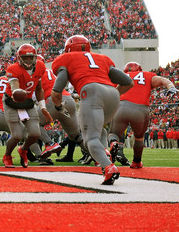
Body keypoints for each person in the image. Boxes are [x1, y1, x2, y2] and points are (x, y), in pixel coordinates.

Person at [51, 35, 134, 185]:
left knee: (90, 138)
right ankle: (105, 153)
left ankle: (109, 167)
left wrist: (58, 107)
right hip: (113, 94)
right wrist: (113, 93)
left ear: (69, 49)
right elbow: (128, 82)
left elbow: (57, 91)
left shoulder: (66, 58)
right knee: (99, 131)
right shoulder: (102, 58)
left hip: (91, 91)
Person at [107, 61, 179, 169]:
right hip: (141, 109)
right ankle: (136, 162)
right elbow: (163, 80)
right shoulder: (147, 75)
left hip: (121, 106)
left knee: (113, 134)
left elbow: (108, 89)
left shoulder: (121, 76)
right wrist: (171, 87)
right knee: (139, 138)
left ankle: (113, 143)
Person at [2, 44, 51, 168]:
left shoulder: (40, 66)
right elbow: (14, 86)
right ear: (19, 58)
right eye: (25, 58)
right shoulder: (13, 69)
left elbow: (39, 89)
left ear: (35, 57)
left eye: (31, 57)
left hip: (28, 102)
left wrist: (42, 107)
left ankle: (23, 150)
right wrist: (17, 92)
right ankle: (7, 155)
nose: (28, 60)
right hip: (12, 102)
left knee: (35, 133)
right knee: (17, 135)